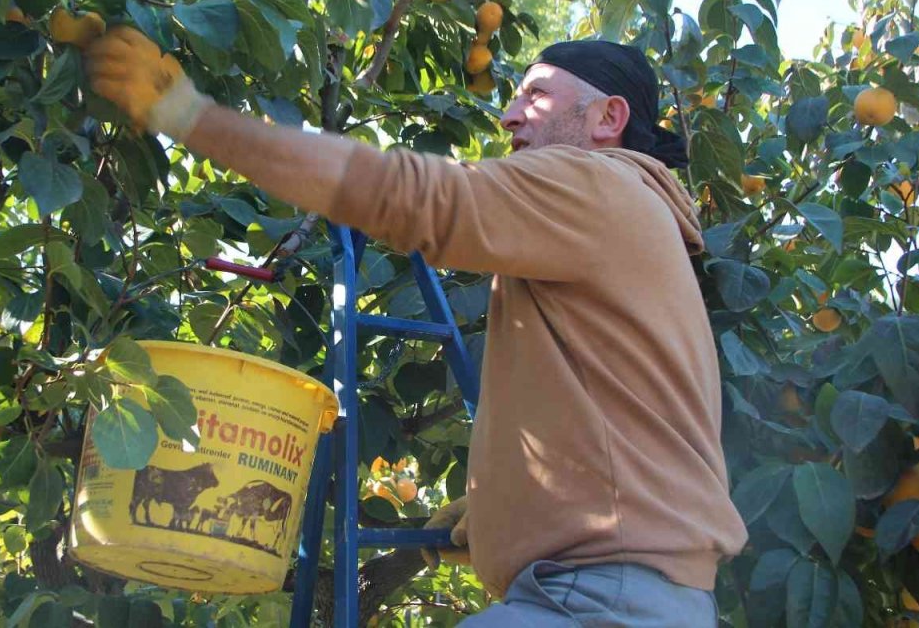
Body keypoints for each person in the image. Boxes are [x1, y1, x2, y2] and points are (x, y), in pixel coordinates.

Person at [85, 32, 748, 626]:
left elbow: (410, 195)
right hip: (635, 597)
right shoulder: (633, 217)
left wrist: (191, 118)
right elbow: (623, 415)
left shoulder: (596, 183)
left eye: (538, 96)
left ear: (609, 116)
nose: (510, 114)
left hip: (599, 601)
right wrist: (501, 509)